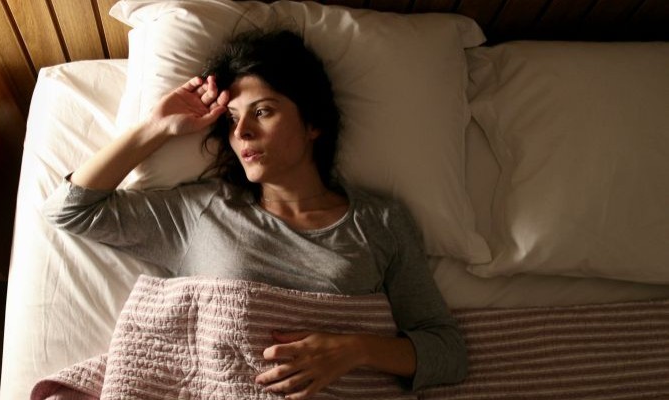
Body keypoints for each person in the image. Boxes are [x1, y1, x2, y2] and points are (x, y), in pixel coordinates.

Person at [43, 29, 467, 399]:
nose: (242, 132)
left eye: (263, 111)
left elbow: (446, 353)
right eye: (230, 119)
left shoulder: (380, 222)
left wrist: (354, 349)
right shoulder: (204, 211)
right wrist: (155, 127)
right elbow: (71, 210)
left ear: (313, 123)